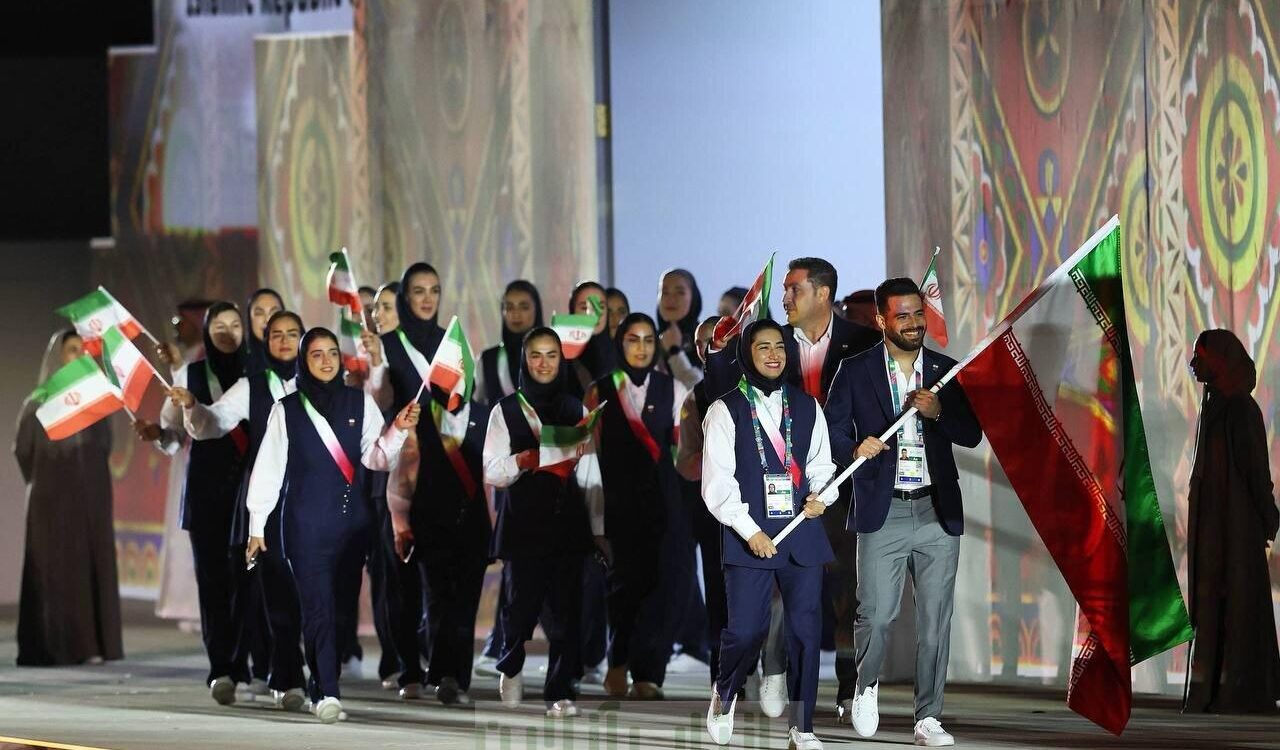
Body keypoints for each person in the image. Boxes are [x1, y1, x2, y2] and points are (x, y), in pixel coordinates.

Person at [824, 277, 981, 747]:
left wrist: (938, 413)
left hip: (936, 509)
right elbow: (829, 433)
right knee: (876, 615)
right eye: (902, 316)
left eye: (918, 314)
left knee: (935, 622)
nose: (914, 324)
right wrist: (856, 447)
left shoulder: (944, 371)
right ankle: (865, 685)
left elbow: (971, 434)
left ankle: (928, 717)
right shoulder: (855, 370)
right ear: (881, 320)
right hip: (883, 510)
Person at [245, 327, 418, 724]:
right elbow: (268, 470)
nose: (326, 361)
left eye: (332, 354)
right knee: (318, 609)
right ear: (304, 362)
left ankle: (321, 683)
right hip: (303, 527)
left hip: (352, 527)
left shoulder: (360, 401)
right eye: (316, 354)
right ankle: (328, 692)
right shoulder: (286, 410)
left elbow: (376, 459)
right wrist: (257, 526)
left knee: (340, 614)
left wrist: (398, 430)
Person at [702, 319, 837, 750]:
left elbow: (822, 466)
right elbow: (717, 484)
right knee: (745, 630)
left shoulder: (807, 406)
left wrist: (821, 495)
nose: (774, 354)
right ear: (746, 354)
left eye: (779, 346)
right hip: (750, 537)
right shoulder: (724, 409)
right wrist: (750, 530)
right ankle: (725, 693)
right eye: (763, 347)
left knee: (805, 634)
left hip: (802, 535)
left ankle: (803, 726)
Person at [367, 262, 492, 706]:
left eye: (434, 290)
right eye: (418, 291)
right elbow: (376, 401)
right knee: (402, 581)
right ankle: (408, 666)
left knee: (445, 583)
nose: (426, 299)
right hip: (399, 475)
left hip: (447, 473)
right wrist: (375, 367)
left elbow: (466, 397)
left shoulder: (451, 342)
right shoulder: (386, 344)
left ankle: (445, 669)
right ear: (405, 297)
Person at [174, 311, 308, 711]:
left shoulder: (320, 384)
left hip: (307, 500)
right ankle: (244, 672)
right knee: (254, 591)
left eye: (293, 334)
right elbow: (214, 422)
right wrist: (193, 405)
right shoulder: (253, 385)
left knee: (300, 594)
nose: (285, 341)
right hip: (262, 503)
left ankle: (295, 675)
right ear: (265, 341)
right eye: (277, 334)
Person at [483, 327, 595, 718]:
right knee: (520, 608)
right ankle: (511, 665)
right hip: (523, 524)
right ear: (524, 360)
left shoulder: (576, 409)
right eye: (536, 355)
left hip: (567, 522)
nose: (544, 363)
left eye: (551, 355)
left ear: (561, 360)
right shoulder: (506, 410)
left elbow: (590, 472)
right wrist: (522, 460)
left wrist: (598, 529)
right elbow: (491, 470)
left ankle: (559, 689)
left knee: (566, 611)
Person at [585, 312, 688, 699]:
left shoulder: (673, 388)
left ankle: (649, 675)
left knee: (661, 587)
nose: (641, 348)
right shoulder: (598, 391)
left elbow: (682, 451)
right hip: (618, 505)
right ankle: (617, 663)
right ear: (620, 343)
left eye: (648, 340)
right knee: (623, 588)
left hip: (664, 504)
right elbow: (589, 457)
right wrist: (595, 519)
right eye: (633, 339)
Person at [1183, 330, 1280, 713]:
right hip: (1215, 532)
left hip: (1236, 532)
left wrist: (1267, 515)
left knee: (1238, 608)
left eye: (1200, 357)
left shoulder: (1240, 410)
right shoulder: (1216, 407)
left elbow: (1255, 470)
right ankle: (1213, 692)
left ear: (1220, 361)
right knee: (1215, 607)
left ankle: (1240, 691)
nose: (1194, 365)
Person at [15, 330, 123, 667]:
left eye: (83, 350)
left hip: (90, 500)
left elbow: (105, 448)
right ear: (57, 358)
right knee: (53, 570)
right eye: (72, 350)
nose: (79, 355)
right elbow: (24, 452)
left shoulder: (96, 405)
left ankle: (90, 645)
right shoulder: (37, 403)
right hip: (50, 502)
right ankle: (52, 647)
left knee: (87, 567)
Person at [676, 316, 735, 687]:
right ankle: (722, 674)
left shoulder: (758, 386)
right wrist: (716, 456)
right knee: (717, 590)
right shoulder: (694, 398)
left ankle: (767, 667)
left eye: (716, 338)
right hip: (713, 512)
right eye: (701, 342)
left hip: (763, 508)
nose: (707, 347)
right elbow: (685, 464)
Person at [477, 280, 543, 406]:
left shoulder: (551, 356)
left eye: (524, 307)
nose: (516, 314)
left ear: (537, 310)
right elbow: (477, 406)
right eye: (509, 307)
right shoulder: (487, 359)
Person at [565, 281, 616, 398]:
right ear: (573, 312)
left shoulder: (622, 355)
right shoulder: (561, 359)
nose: (594, 314)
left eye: (600, 306)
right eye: (585, 307)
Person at [655, 268, 704, 390]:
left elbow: (700, 392)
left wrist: (675, 352)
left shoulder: (706, 339)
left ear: (693, 298)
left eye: (680, 292)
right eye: (665, 292)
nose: (671, 299)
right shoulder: (648, 339)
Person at [243, 289, 285, 377]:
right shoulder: (241, 365)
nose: (267, 319)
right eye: (259, 313)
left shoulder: (300, 361)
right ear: (250, 320)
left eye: (274, 312)